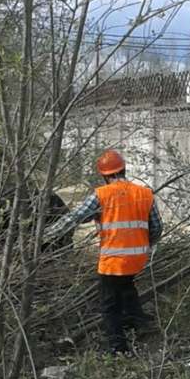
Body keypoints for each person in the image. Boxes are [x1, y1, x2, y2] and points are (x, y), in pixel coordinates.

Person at [43, 149, 162, 356]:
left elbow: (75, 218)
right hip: (137, 258)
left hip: (113, 261)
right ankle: (140, 323)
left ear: (104, 175)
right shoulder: (144, 194)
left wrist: (46, 236)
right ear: (124, 169)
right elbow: (157, 227)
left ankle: (118, 348)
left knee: (109, 305)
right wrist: (145, 244)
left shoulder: (102, 195)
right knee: (126, 287)